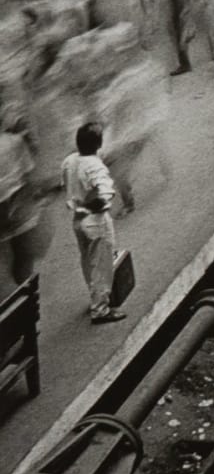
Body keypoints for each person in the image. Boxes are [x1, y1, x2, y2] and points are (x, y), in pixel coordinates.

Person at [62, 123, 122, 324]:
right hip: (95, 220)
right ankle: (101, 309)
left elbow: (66, 183)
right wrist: (100, 202)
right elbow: (105, 191)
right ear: (98, 144)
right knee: (101, 264)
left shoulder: (70, 160)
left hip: (77, 219)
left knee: (87, 261)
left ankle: (95, 297)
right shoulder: (95, 166)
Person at [0, 124, 44, 292]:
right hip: (17, 202)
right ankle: (27, 291)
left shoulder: (13, 141)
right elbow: (28, 172)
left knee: (15, 255)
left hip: (12, 202)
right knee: (23, 254)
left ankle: (21, 291)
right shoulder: (13, 141)